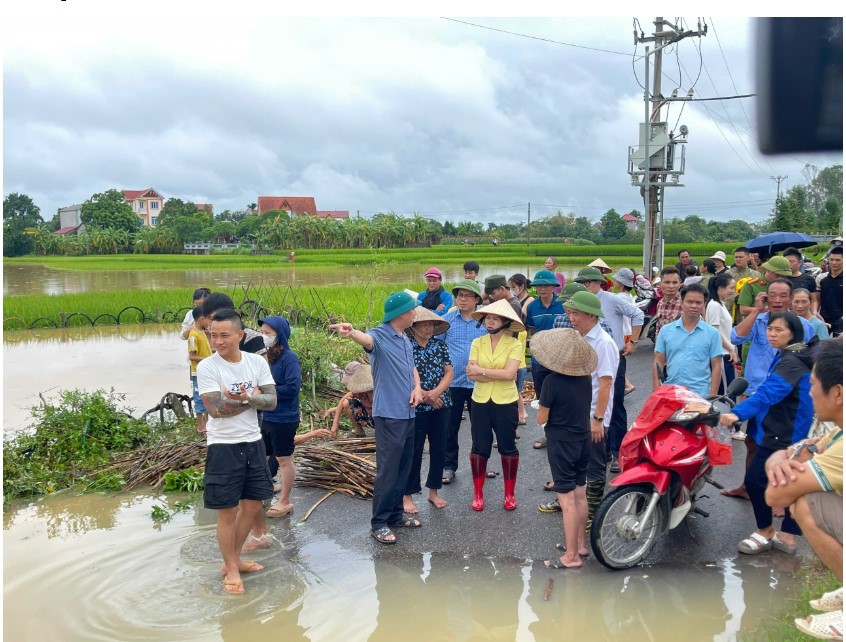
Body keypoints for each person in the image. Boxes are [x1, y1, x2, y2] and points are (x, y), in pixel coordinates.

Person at [330, 292, 425, 545]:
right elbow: (367, 339)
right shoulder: (380, 335)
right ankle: (379, 522)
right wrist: (351, 332)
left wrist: (417, 388)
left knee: (404, 466)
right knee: (388, 470)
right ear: (401, 314)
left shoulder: (405, 338)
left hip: (408, 412)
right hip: (390, 414)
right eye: (412, 310)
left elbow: (411, 368)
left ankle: (395, 515)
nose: (416, 313)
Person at [718, 312, 816, 556]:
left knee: (757, 480)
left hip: (789, 432)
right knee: (788, 482)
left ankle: (770, 532)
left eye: (779, 330)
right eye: (770, 329)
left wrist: (736, 414)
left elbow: (769, 393)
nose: (772, 334)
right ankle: (784, 534)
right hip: (782, 428)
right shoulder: (791, 353)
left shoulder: (793, 361)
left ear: (794, 333)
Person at [763, 339, 842, 638]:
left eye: (813, 384)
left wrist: (780, 463)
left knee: (804, 501)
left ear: (836, 393)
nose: (809, 392)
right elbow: (800, 449)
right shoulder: (837, 432)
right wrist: (777, 460)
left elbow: (775, 496)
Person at [196, 309, 277, 595]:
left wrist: (245, 399)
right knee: (228, 511)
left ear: (240, 335)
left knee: (254, 505)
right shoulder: (207, 367)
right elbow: (216, 410)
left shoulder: (256, 362)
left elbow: (272, 402)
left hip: (252, 442)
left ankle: (235, 557)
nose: (218, 341)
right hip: (223, 447)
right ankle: (230, 567)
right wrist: (250, 398)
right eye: (213, 335)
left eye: (224, 335)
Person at [721, 277, 816, 499]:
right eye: (772, 294)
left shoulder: (805, 327)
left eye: (783, 295)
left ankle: (782, 498)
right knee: (753, 440)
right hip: (757, 390)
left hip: (784, 397)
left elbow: (808, 360)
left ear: (791, 299)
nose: (777, 300)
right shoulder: (760, 319)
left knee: (784, 448)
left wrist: (734, 414)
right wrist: (755, 310)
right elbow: (736, 337)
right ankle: (748, 487)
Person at [544, 292, 618, 525]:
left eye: (576, 313)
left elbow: (605, 383)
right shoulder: (579, 338)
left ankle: (593, 515)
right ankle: (571, 505)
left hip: (592, 415)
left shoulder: (603, 343)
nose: (571, 318)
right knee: (573, 463)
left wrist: (597, 419)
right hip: (574, 414)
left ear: (590, 315)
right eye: (570, 313)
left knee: (594, 466)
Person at [530, 328, 597, 568]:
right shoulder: (585, 378)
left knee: (566, 499)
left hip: (561, 441)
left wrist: (540, 406)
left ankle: (571, 557)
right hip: (583, 438)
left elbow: (541, 418)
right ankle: (579, 545)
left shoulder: (552, 381)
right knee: (580, 493)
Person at [575, 266, 643, 473]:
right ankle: (600, 449)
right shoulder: (580, 301)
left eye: (588, 283)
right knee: (590, 402)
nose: (585, 286)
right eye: (582, 283)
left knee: (614, 404)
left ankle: (617, 451)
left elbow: (638, 314)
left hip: (613, 355)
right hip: (587, 357)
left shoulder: (612, 300)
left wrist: (633, 341)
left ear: (598, 283)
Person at [465, 299, 525, 511]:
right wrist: (490, 374)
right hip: (480, 401)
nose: (490, 322)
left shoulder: (515, 344)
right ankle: (478, 494)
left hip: (505, 402)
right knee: (479, 447)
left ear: (505, 322)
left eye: (495, 319)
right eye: (487, 318)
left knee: (507, 447)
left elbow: (510, 375)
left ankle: (509, 494)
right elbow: (471, 374)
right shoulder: (477, 343)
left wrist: (482, 371)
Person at [403, 306, 453, 513]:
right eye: (424, 324)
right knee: (413, 450)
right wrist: (426, 397)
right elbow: (405, 377)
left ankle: (433, 491)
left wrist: (436, 393)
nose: (428, 328)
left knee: (439, 447)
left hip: (442, 402)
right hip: (417, 405)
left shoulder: (440, 345)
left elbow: (449, 373)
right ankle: (407, 494)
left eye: (431, 324)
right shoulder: (407, 347)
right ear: (413, 326)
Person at [440, 279, 487, 485]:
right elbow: (438, 348)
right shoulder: (447, 320)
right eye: (459, 295)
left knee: (480, 428)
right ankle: (449, 466)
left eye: (468, 296)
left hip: (480, 383)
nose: (462, 299)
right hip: (453, 383)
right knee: (450, 428)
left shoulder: (486, 322)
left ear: (477, 299)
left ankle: (481, 465)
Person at [258, 315, 301, 520]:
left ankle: (285, 500)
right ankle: (267, 489)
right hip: (269, 415)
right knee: (265, 455)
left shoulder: (289, 358)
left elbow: (292, 389)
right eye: (263, 333)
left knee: (284, 459)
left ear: (279, 334)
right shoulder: (269, 356)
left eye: (268, 333)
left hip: (285, 417)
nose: (264, 336)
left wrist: (267, 392)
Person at [653, 283, 722, 398]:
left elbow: (716, 365)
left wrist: (712, 396)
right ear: (682, 303)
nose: (694, 306)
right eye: (689, 302)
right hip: (671, 393)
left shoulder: (712, 333)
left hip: (700, 395)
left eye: (698, 302)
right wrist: (656, 391)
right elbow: (658, 362)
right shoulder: (666, 331)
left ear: (704, 305)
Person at [525, 270, 566, 449]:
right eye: (538, 285)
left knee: (562, 397)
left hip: (560, 359)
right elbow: (531, 331)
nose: (542, 288)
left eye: (545, 285)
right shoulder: (533, 307)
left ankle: (562, 432)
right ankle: (548, 434)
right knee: (544, 399)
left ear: (553, 286)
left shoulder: (563, 304)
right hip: (538, 360)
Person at [485, 274, 528, 425]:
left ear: (502, 289)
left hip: (508, 352)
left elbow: (509, 331)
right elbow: (484, 297)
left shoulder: (513, 305)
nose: (492, 296)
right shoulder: (500, 301)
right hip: (503, 350)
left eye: (494, 293)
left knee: (510, 391)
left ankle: (514, 424)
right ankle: (519, 417)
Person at [706, 273, 739, 395]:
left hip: (725, 353)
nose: (733, 291)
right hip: (722, 354)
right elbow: (715, 331)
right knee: (726, 392)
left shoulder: (720, 304)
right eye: (731, 287)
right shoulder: (714, 305)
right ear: (720, 288)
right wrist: (730, 349)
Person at [325, 362, 374, 438]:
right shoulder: (358, 391)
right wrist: (335, 423)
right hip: (369, 418)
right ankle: (359, 431)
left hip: (382, 420)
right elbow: (344, 401)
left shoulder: (375, 389)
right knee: (346, 403)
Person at [187, 307, 213, 434]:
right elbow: (192, 356)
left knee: (208, 395)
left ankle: (209, 424)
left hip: (207, 371)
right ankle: (201, 426)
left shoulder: (202, 332)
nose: (210, 322)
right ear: (201, 319)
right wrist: (207, 360)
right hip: (198, 372)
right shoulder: (193, 335)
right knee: (199, 398)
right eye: (209, 319)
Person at [783, 246, 820, 315]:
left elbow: (814, 300)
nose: (788, 265)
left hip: (804, 315)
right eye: (786, 262)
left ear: (799, 262)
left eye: (791, 262)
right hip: (785, 315)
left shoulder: (809, 279)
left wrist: (814, 312)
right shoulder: (780, 279)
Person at [819, 246, 843, 336]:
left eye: (837, 260)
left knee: (838, 348)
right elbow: (816, 300)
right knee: (820, 346)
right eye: (831, 259)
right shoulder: (821, 278)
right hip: (823, 318)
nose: (834, 262)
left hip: (841, 320)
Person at [654, 267, 683, 335]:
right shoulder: (660, 304)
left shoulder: (686, 304)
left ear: (679, 284)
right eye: (667, 282)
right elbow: (658, 330)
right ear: (660, 284)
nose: (671, 286)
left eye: (675, 282)